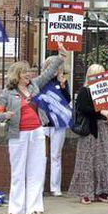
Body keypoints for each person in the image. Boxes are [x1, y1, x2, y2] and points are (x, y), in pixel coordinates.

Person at [0, 43, 67, 214]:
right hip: (17, 134)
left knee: (37, 168)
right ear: (16, 75)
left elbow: (48, 73)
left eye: (29, 71)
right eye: (24, 72)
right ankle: (15, 208)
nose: (28, 74)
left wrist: (61, 56)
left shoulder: (34, 85)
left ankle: (35, 206)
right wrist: (6, 116)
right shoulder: (7, 93)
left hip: (37, 132)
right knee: (18, 170)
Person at [68, 64, 108, 204]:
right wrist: (100, 112)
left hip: (105, 129)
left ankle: (103, 191)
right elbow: (83, 108)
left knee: (104, 162)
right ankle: (85, 192)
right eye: (97, 74)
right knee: (87, 161)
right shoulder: (84, 91)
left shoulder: (107, 91)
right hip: (91, 130)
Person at [40, 58, 71, 197]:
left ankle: (55, 187)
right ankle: (39, 187)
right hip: (43, 122)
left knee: (56, 155)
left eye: (57, 67)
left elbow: (68, 100)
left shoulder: (62, 82)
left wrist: (63, 87)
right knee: (41, 156)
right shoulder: (41, 81)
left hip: (58, 124)